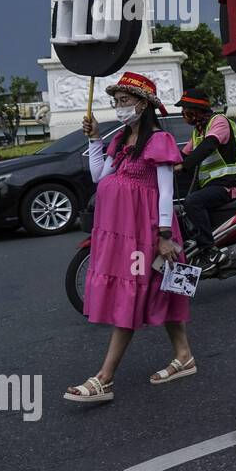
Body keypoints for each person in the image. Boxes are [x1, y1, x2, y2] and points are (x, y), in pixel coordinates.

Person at [65, 72, 195, 402]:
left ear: (143, 104)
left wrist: (164, 236)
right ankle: (184, 355)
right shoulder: (120, 140)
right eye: (117, 102)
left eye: (125, 101)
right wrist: (94, 139)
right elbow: (99, 176)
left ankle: (104, 378)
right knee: (162, 291)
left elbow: (166, 192)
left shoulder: (159, 142)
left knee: (131, 297)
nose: (120, 107)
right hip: (122, 234)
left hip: (148, 232)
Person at [174, 88, 236, 268]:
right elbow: (182, 154)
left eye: (186, 109)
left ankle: (210, 249)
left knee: (192, 202)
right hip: (210, 187)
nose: (184, 114)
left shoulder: (218, 121)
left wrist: (185, 166)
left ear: (198, 110)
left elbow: (209, 145)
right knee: (180, 211)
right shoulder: (198, 132)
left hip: (227, 185)